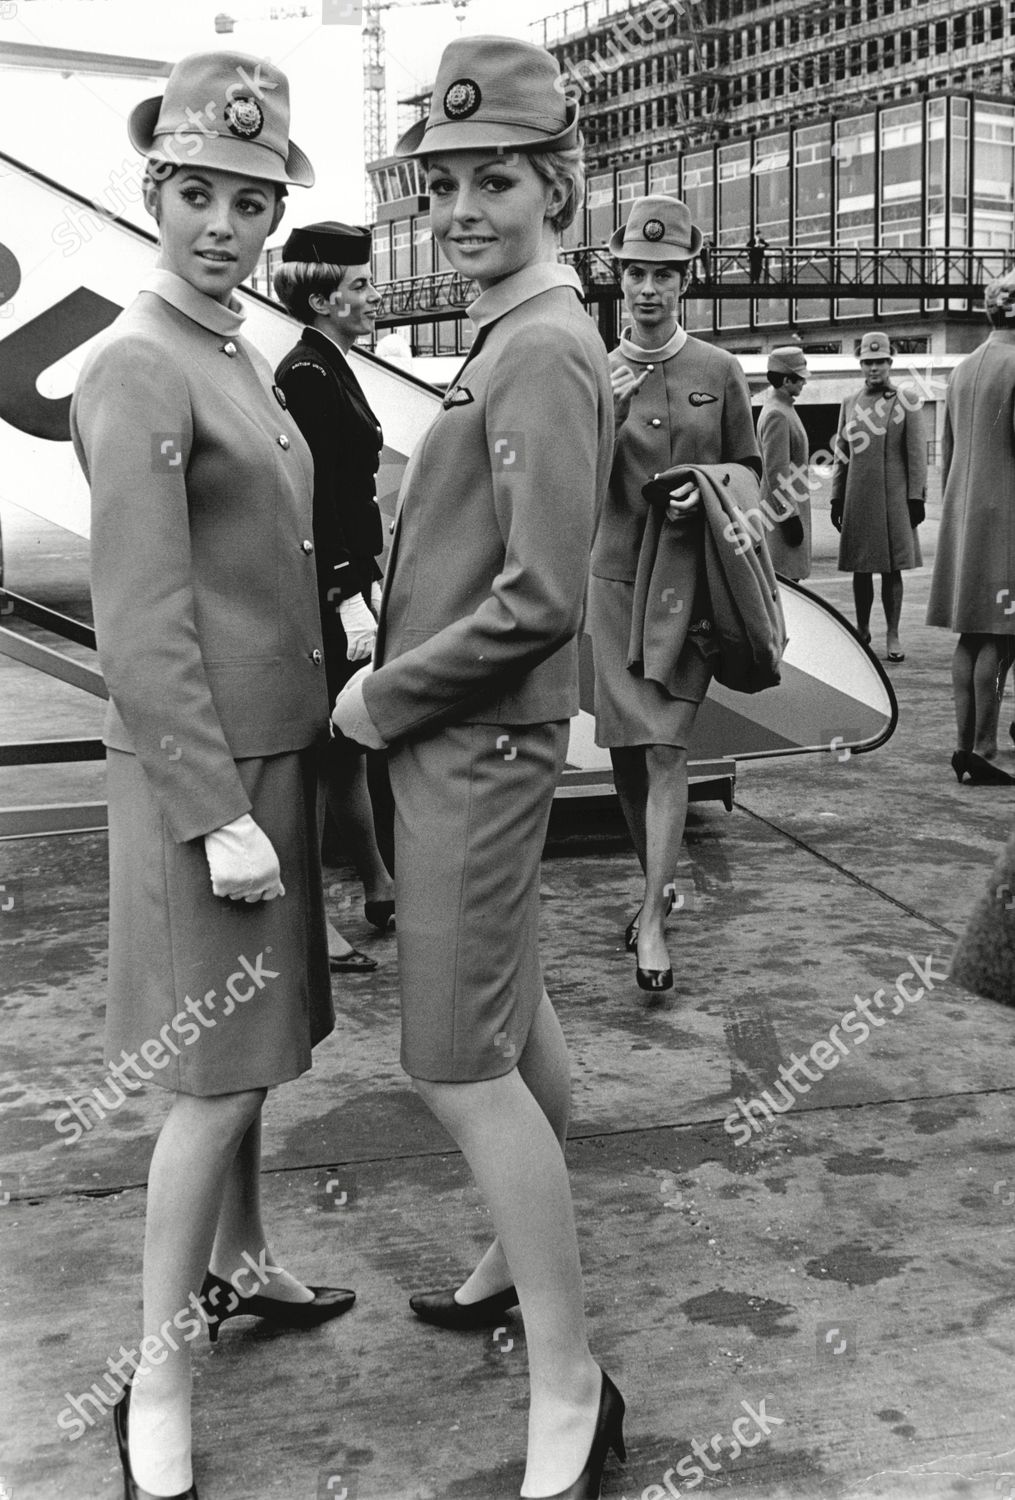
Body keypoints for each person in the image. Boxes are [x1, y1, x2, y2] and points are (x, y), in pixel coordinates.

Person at [332, 35, 621, 1500]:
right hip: (465, 745)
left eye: (491, 180)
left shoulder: (545, 343)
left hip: (472, 746)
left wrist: (386, 695)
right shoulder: (512, 330)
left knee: (453, 1063)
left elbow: (536, 598)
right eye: (440, 182)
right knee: (517, 1031)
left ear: (555, 186)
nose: (459, 208)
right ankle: (519, 1267)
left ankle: (570, 1380)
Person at [70, 52, 354, 1500]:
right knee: (213, 1085)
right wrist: (215, 811)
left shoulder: (235, 352)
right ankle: (156, 1373)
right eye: (197, 195)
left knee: (257, 1060)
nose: (223, 225)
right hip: (208, 786)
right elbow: (141, 618)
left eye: (250, 201)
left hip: (273, 762)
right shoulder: (138, 364)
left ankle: (243, 1265)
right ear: (155, 197)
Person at [587, 193, 760, 993]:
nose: (648, 288)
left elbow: (753, 477)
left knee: (663, 747)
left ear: (687, 279)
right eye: (634, 272)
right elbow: (561, 489)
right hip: (614, 580)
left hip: (686, 584)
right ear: (616, 276)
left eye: (664, 273)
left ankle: (653, 919)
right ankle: (652, 883)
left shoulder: (718, 370)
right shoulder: (589, 368)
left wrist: (709, 488)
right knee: (626, 751)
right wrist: (603, 415)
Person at [273, 222, 397, 954]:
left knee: (346, 744)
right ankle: (310, 921)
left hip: (354, 578)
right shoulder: (308, 374)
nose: (373, 296)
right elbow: (314, 494)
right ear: (322, 299)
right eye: (359, 287)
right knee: (321, 751)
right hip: (331, 588)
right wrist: (347, 589)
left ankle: (378, 883)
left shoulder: (331, 362)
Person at [927, 269, 1015, 785]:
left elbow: (950, 455)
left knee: (970, 634)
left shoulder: (963, 369)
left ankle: (964, 745)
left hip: (965, 515)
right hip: (1008, 517)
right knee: (1002, 637)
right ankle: (985, 747)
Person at [830, 330, 926, 662]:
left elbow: (916, 453)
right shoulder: (850, 403)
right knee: (860, 568)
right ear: (861, 365)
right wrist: (836, 498)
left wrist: (916, 497)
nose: (874, 369)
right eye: (868, 363)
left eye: (880, 362)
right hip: (858, 496)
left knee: (891, 569)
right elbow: (841, 455)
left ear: (889, 363)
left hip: (893, 498)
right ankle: (862, 629)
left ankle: (893, 633)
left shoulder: (906, 400)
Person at [758, 345, 812, 581]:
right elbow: (776, 472)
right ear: (786, 380)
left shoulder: (782, 408)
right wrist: (788, 517)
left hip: (786, 510)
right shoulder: (777, 414)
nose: (804, 383)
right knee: (785, 585)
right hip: (782, 516)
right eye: (799, 379)